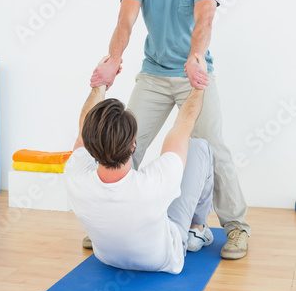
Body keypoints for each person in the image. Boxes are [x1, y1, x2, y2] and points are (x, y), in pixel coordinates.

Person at [90, 0, 250, 259]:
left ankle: (236, 227)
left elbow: (204, 19)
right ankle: (113, 220)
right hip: (154, 74)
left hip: (193, 74)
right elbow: (125, 21)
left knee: (213, 147)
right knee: (122, 142)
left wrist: (196, 57)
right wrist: (114, 58)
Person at [65, 54, 214, 274]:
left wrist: (100, 84)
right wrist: (199, 84)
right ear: (133, 145)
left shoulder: (75, 174)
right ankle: (196, 230)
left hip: (107, 258)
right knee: (199, 146)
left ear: (90, 143)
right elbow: (185, 123)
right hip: (163, 261)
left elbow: (83, 130)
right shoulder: (155, 184)